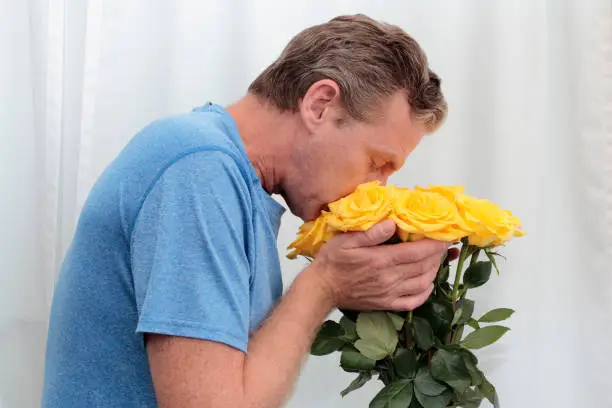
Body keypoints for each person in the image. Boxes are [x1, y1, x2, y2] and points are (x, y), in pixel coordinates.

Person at [42, 13, 450, 408]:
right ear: (320, 104)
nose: (375, 186)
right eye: (377, 162)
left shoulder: (228, 176)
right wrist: (324, 283)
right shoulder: (198, 167)